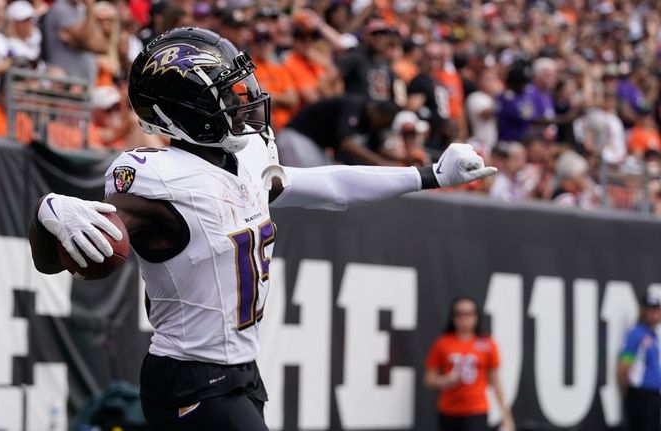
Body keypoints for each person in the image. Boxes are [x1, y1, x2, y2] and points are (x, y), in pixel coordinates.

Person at [28, 28, 496, 430]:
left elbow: (329, 184)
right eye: (226, 94)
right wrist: (47, 216)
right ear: (185, 111)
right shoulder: (159, 180)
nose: (244, 99)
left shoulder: (246, 158)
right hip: (189, 379)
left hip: (239, 373)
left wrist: (429, 174)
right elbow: (66, 254)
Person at [425, 297, 514, 431]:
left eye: (468, 314)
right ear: (453, 317)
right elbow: (429, 378)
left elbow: (496, 382)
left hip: (476, 409)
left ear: (476, 316)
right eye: (459, 314)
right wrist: (443, 381)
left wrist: (506, 416)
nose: (464, 318)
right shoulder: (443, 343)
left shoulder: (487, 343)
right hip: (448, 410)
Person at [619, 291, 661, 431]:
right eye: (650, 310)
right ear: (643, 311)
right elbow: (624, 367)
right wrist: (630, 394)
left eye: (656, 310)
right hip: (640, 395)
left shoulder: (654, 336)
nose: (654, 314)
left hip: (654, 396)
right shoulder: (635, 334)